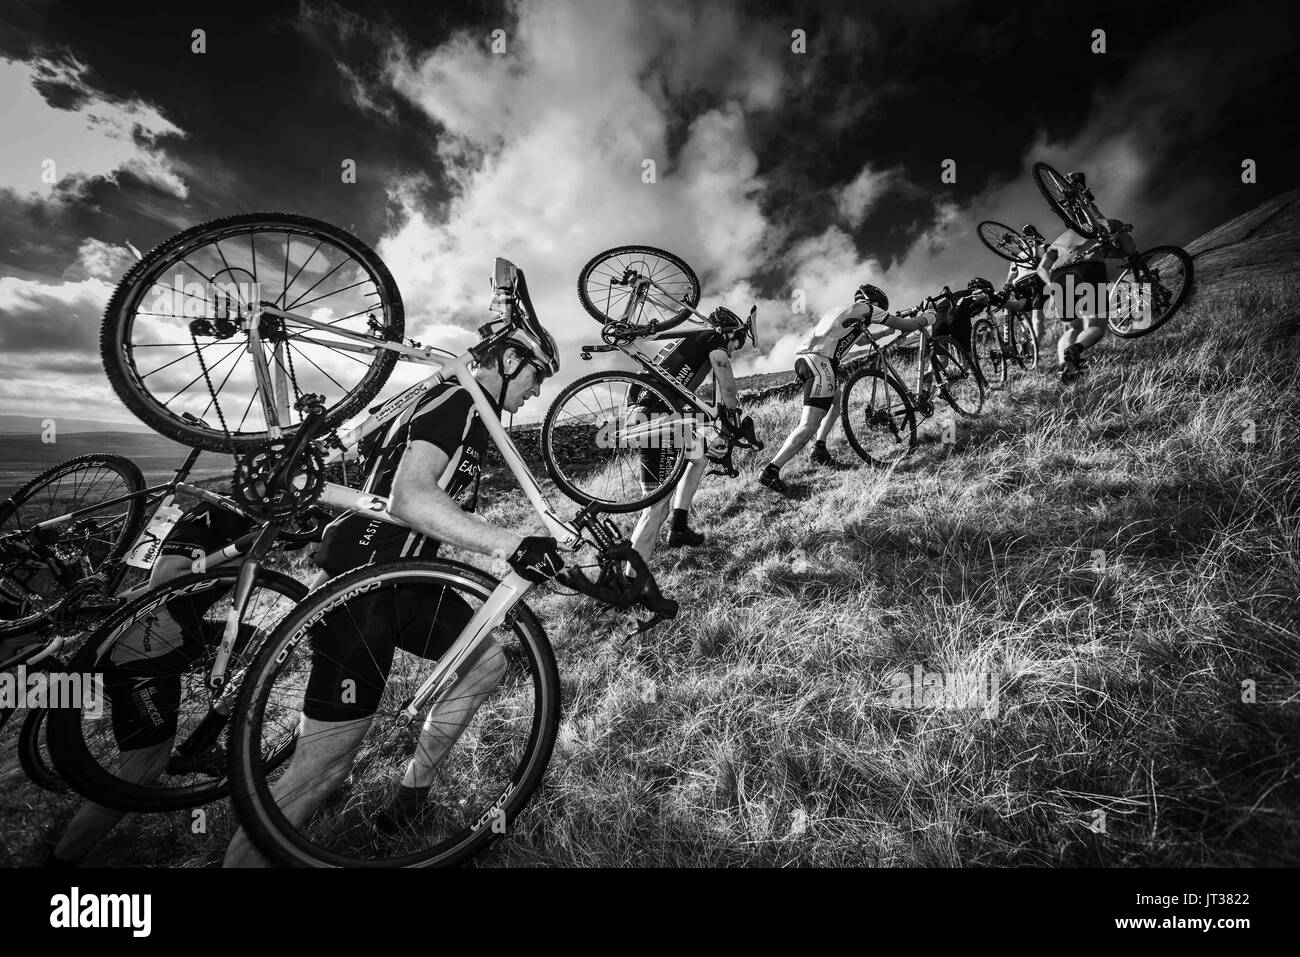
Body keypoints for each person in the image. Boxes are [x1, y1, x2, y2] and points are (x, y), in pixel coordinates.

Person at [223, 279, 564, 866]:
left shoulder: (452, 402)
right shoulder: (458, 399)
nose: (536, 392)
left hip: (408, 579)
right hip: (361, 590)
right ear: (510, 360)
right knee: (323, 767)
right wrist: (507, 543)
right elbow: (410, 498)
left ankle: (411, 795)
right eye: (537, 376)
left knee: (484, 665)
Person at [42, 501, 255, 867]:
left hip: (173, 633)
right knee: (141, 771)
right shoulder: (219, 513)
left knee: (259, 646)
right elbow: (170, 576)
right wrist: (246, 558)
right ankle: (61, 861)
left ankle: (199, 746)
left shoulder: (238, 517)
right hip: (147, 653)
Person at [758, 283, 930, 494]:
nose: (882, 313)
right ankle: (771, 470)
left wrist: (885, 331)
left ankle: (819, 449)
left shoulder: (843, 311)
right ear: (874, 302)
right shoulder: (867, 309)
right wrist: (928, 317)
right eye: (882, 309)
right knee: (810, 423)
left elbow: (860, 341)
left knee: (836, 401)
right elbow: (906, 324)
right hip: (821, 362)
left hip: (807, 359)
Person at [629, 307, 750, 558]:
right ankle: (630, 580)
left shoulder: (685, 344)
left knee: (699, 457)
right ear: (728, 332)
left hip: (657, 415)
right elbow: (723, 372)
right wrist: (733, 413)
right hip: (658, 420)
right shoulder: (712, 337)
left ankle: (679, 526)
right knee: (656, 508)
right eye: (736, 344)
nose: (733, 351)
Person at [1000, 223, 1049, 345]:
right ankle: (1034, 348)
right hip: (1036, 280)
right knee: (1036, 318)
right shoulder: (1041, 248)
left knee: (1027, 318)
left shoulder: (1019, 256)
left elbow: (1011, 276)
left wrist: (1006, 287)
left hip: (1020, 284)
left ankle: (1029, 344)